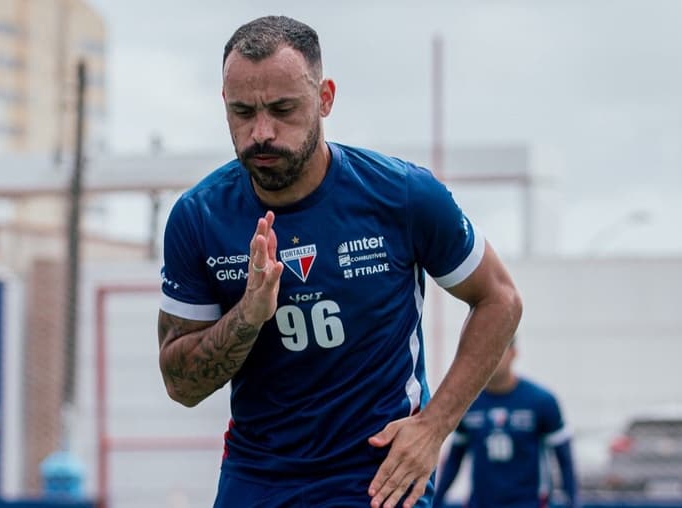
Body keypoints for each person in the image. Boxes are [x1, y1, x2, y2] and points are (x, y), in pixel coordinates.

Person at [157, 15, 522, 508]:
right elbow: (181, 385)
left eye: (283, 109)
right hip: (258, 475)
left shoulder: (403, 196)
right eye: (244, 112)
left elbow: (499, 299)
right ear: (225, 104)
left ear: (325, 98)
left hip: (377, 474)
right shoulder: (198, 217)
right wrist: (248, 314)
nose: (261, 132)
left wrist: (435, 427)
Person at [432, 339, 579, 508]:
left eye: (498, 350)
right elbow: (454, 460)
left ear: (513, 353)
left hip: (528, 503)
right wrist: (436, 501)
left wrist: (573, 502)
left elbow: (564, 459)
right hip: (481, 503)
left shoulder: (541, 401)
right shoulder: (467, 402)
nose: (492, 359)